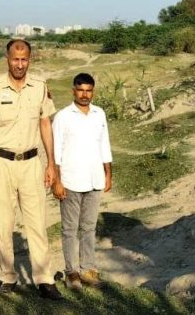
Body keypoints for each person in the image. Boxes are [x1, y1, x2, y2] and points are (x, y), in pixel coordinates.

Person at [0, 37, 63, 300]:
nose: (19, 64)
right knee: (3, 223)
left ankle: (44, 280)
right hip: (0, 163)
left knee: (37, 224)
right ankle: (7, 277)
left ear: (29, 60)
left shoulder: (40, 87)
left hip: (32, 163)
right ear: (7, 59)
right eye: (15, 59)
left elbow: (46, 124)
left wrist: (51, 164)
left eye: (24, 59)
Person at [50, 73, 113, 291]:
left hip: (94, 178)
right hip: (70, 180)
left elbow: (104, 144)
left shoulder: (99, 114)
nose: (84, 94)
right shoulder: (63, 117)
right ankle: (71, 273)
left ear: (93, 91)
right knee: (69, 229)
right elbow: (55, 151)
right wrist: (56, 181)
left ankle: (88, 269)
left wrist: (108, 173)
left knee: (89, 227)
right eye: (80, 90)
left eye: (88, 90)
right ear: (73, 91)